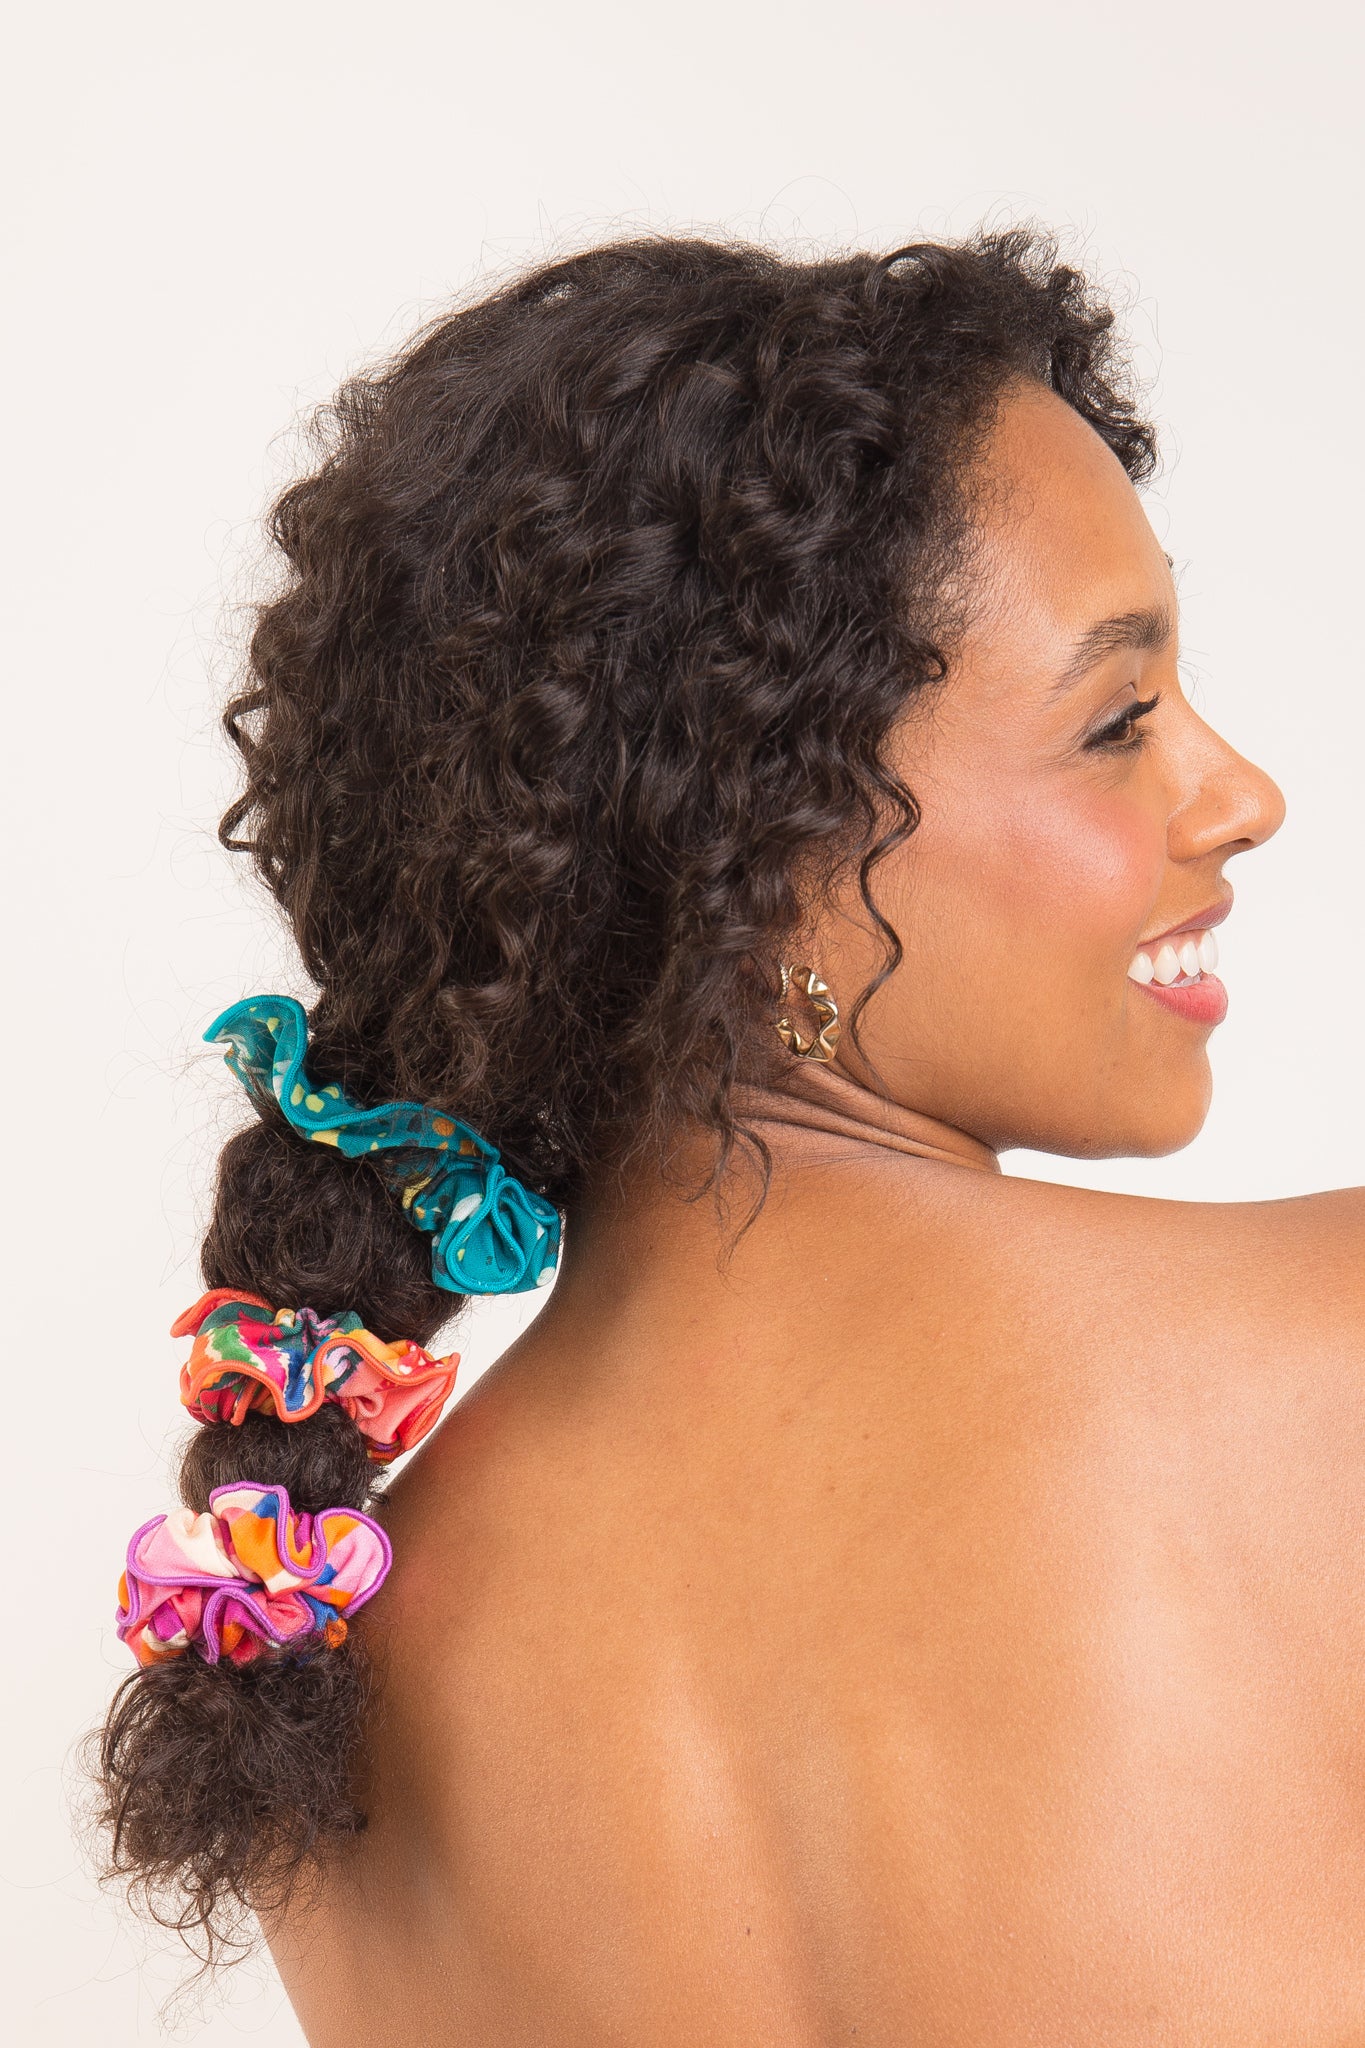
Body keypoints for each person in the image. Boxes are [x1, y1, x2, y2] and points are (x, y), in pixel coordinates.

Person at [103, 228, 1365, 2048]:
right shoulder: (1328, 1366)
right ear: (755, 856)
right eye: (1116, 721)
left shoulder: (308, 1677)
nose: (1238, 795)